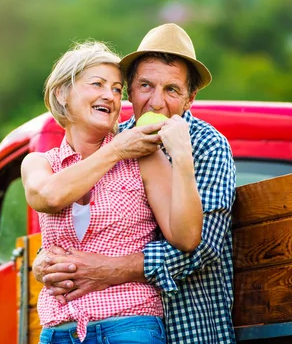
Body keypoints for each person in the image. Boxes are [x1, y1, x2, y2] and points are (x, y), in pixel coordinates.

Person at [34, 24, 237, 344]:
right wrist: (44, 262)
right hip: (90, 323)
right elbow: (74, 220)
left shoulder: (208, 145)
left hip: (186, 323)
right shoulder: (113, 141)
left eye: (171, 89)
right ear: (129, 88)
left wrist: (106, 269)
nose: (156, 102)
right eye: (145, 85)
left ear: (190, 98)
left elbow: (200, 246)